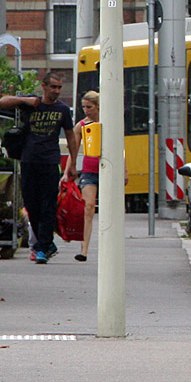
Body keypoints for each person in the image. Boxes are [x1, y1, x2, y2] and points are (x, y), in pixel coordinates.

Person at [0, 71, 77, 264]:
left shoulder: (62, 110)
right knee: (32, 204)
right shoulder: (32, 103)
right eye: (53, 87)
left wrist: (72, 163)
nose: (56, 91)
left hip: (50, 161)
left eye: (59, 88)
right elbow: (1, 102)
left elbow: (71, 136)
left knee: (48, 204)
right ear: (44, 86)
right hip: (29, 160)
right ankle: (46, 243)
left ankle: (42, 247)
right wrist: (25, 101)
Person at [67, 91, 126, 262]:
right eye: (84, 107)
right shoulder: (82, 125)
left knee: (112, 210)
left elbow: (121, 148)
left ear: (99, 107)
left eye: (89, 107)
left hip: (110, 168)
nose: (86, 110)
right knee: (88, 207)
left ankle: (112, 247)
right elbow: (73, 149)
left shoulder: (110, 123)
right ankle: (84, 250)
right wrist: (68, 170)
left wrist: (125, 170)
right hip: (90, 169)